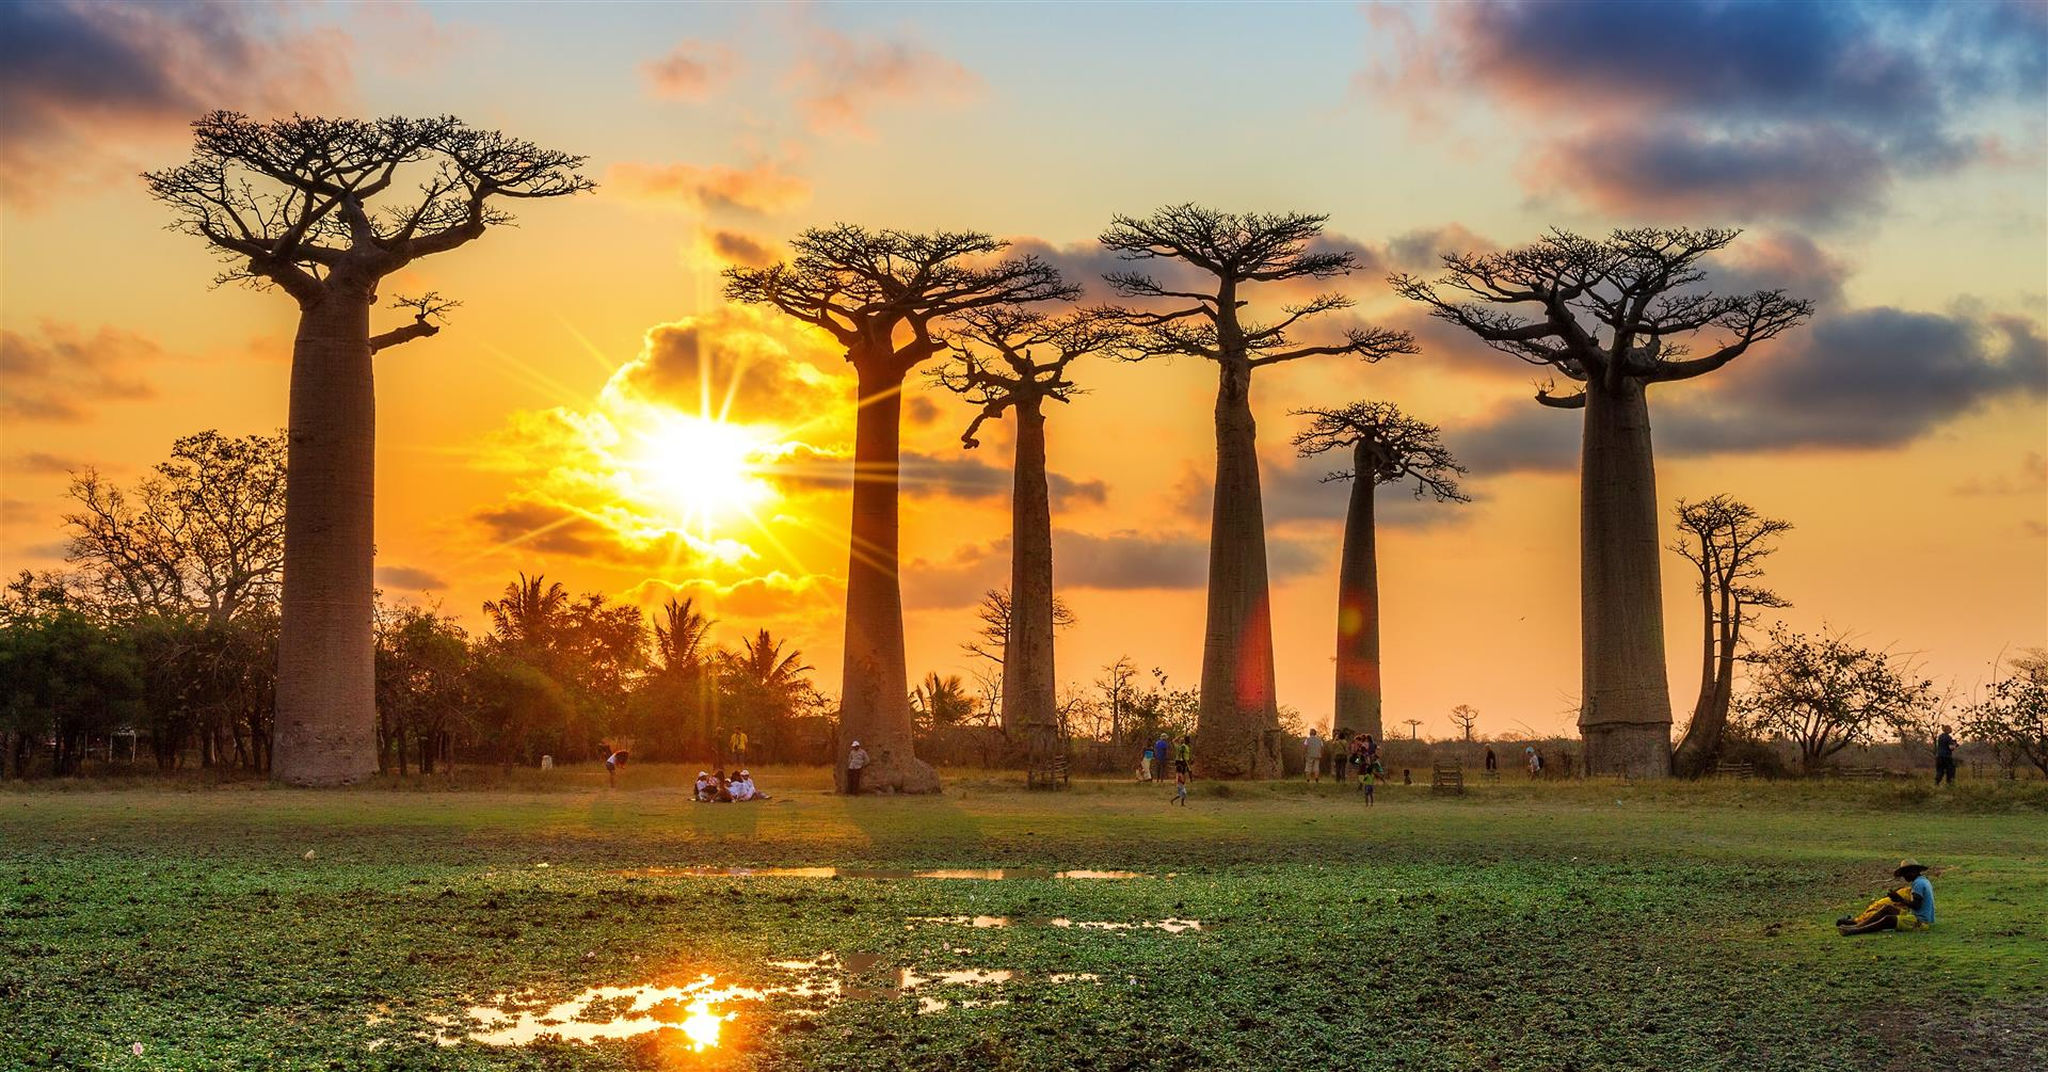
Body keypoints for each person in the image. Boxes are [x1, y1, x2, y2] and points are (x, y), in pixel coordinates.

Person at [1838, 860, 1936, 935]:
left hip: (1921, 922)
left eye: (1906, 873)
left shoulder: (1918, 884)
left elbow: (1917, 905)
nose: (1904, 876)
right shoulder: (1922, 880)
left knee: (1889, 919)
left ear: (1914, 871)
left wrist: (1900, 899)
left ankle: (1856, 930)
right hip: (1918, 917)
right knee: (1887, 909)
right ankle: (1856, 926)